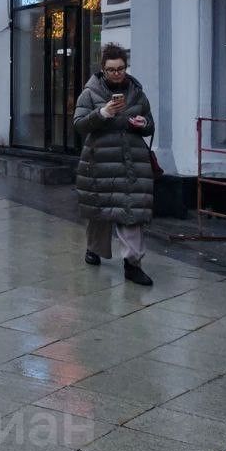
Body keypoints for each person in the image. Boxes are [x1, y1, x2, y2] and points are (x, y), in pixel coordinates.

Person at [74, 43, 156, 286]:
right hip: (99, 159)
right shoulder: (90, 93)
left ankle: (133, 264)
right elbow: (79, 124)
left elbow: (150, 124)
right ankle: (94, 248)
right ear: (103, 69)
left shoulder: (137, 92)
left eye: (120, 68)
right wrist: (103, 113)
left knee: (131, 211)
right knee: (99, 211)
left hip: (132, 161)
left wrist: (143, 123)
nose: (117, 73)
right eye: (111, 70)